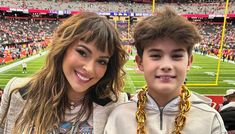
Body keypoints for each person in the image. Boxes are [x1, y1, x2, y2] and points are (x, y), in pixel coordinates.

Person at [104, 7, 227, 134]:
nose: (166, 65)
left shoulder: (209, 119)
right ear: (140, 62)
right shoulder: (119, 117)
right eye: (156, 56)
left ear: (189, 62)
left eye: (176, 56)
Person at [0, 12, 127, 134]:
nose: (90, 68)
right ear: (62, 48)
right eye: (82, 53)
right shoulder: (17, 92)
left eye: (102, 61)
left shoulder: (116, 104)